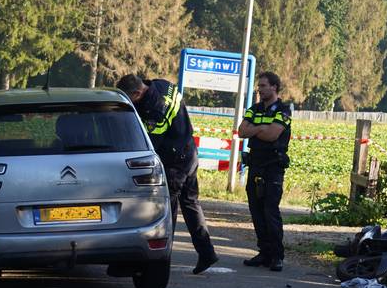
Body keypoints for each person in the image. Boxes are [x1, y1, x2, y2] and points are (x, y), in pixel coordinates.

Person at [116, 74, 219, 275]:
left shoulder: (156, 109)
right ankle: (207, 253)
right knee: (190, 203)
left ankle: (160, 265)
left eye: (131, 99)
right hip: (188, 151)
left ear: (137, 93)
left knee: (165, 213)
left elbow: (150, 144)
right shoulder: (161, 84)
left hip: (175, 163)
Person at [237, 71, 292, 272]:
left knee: (270, 211)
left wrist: (257, 129)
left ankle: (277, 256)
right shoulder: (255, 109)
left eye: (263, 86)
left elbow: (272, 135)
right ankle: (264, 252)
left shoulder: (284, 110)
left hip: (273, 167)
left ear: (274, 87)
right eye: (258, 86)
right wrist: (262, 128)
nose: (259, 90)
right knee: (256, 211)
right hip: (256, 165)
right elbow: (242, 131)